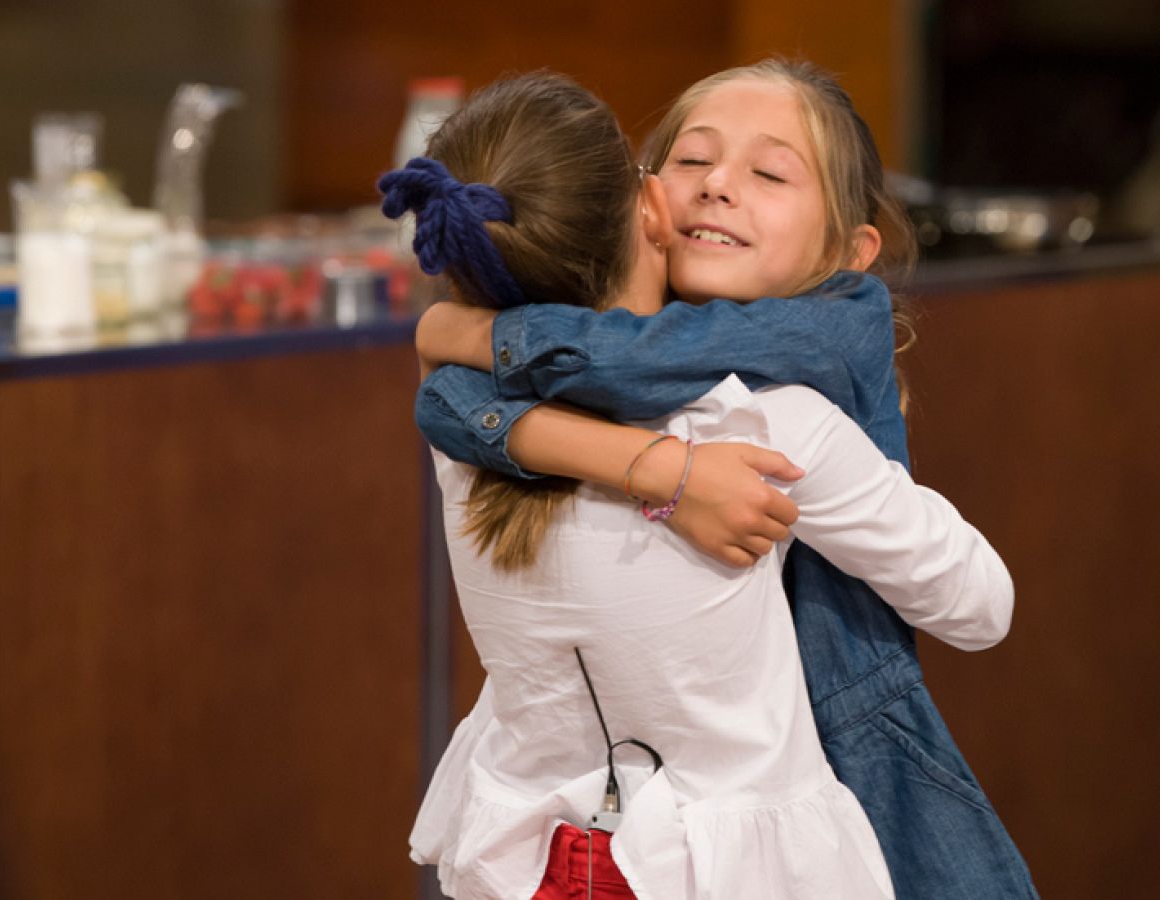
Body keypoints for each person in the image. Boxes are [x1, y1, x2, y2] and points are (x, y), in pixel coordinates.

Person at [413, 59, 1039, 898]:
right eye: (694, 160)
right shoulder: (771, 427)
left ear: (849, 253)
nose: (717, 185)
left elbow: (456, 389)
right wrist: (667, 471)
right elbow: (981, 602)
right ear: (646, 202)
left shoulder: (473, 389)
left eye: (770, 173)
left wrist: (458, 334)